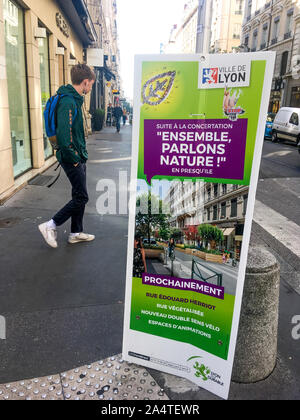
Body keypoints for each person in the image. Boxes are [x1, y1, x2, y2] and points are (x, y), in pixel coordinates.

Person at [38, 64, 96, 248]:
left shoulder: (73, 99)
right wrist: (75, 159)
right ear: (85, 82)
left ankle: (75, 232)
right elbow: (64, 136)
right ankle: (50, 225)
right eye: (91, 85)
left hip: (78, 156)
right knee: (81, 198)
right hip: (72, 158)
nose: (90, 88)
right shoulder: (68, 102)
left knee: (78, 194)